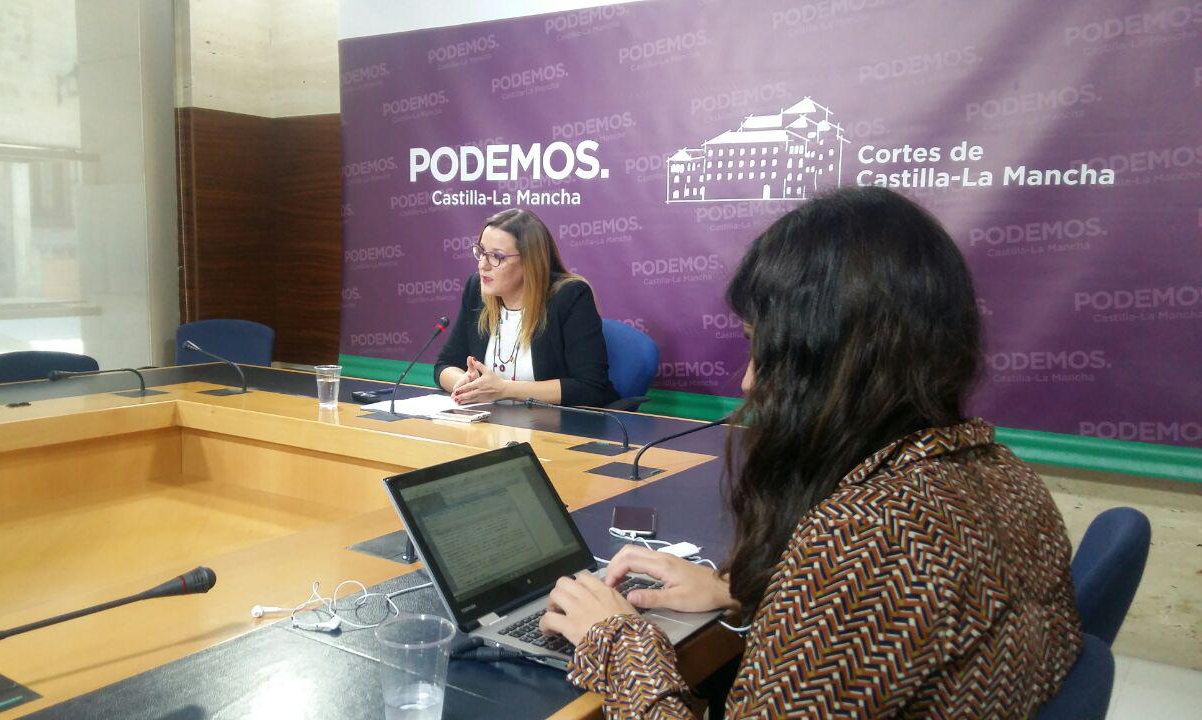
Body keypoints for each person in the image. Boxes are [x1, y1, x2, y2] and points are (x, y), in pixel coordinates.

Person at [539, 187, 1083, 718]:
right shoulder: (1005, 474)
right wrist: (745, 594)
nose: (750, 382)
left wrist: (615, 641)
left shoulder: (868, 540)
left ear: (835, 362)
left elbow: (873, 590)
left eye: (765, 350)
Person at [434, 208, 619, 408]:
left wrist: (504, 390)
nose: (482, 265)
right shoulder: (477, 289)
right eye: (481, 252)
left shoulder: (569, 297)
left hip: (554, 429)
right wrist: (465, 384)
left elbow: (591, 388)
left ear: (529, 261)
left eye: (496, 256)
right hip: (490, 425)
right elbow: (445, 365)